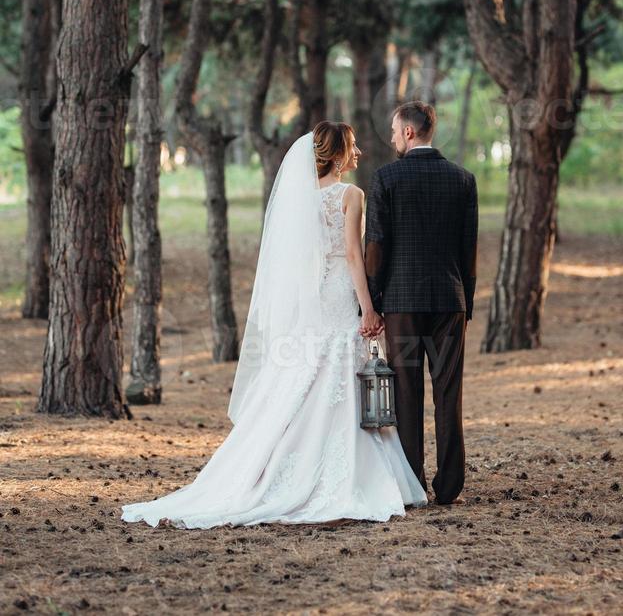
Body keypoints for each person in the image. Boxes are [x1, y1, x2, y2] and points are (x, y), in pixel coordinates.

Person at [121, 122, 427, 529]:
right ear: (336, 155)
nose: (358, 154)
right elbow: (354, 257)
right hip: (339, 291)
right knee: (337, 366)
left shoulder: (299, 199)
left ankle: (274, 464)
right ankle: (343, 473)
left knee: (306, 372)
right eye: (352, 148)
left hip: (312, 297)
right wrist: (369, 309)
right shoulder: (350, 195)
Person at [365, 100, 478, 505]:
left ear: (409, 132)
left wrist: (373, 301)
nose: (393, 137)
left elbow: (376, 245)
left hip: (402, 302)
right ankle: (449, 487)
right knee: (449, 393)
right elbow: (469, 250)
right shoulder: (463, 180)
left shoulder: (386, 179)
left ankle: (413, 483)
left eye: (395, 131)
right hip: (451, 301)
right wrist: (467, 298)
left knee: (407, 393)